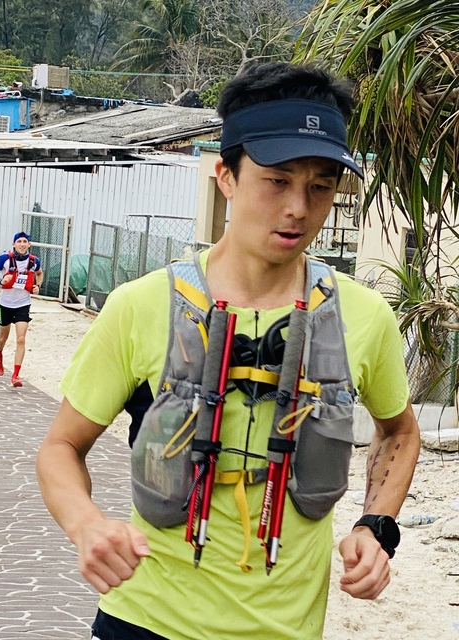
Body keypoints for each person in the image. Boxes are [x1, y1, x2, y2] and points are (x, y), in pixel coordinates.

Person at [36, 62, 421, 640]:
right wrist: (85, 524)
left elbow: (400, 431)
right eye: (277, 181)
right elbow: (60, 447)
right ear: (227, 177)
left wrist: (375, 527)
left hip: (286, 629)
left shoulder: (364, 317)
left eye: (321, 186)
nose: (299, 208)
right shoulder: (140, 305)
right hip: (143, 621)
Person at [0, 231, 43, 387]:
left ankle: (15, 375)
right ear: (14, 244)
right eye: (19, 241)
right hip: (5, 304)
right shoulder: (5, 259)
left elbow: (39, 273)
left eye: (25, 242)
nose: (22, 244)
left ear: (29, 244)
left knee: (21, 339)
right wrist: (0, 281)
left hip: (23, 304)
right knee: (3, 338)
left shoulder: (34, 261)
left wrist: (38, 286)